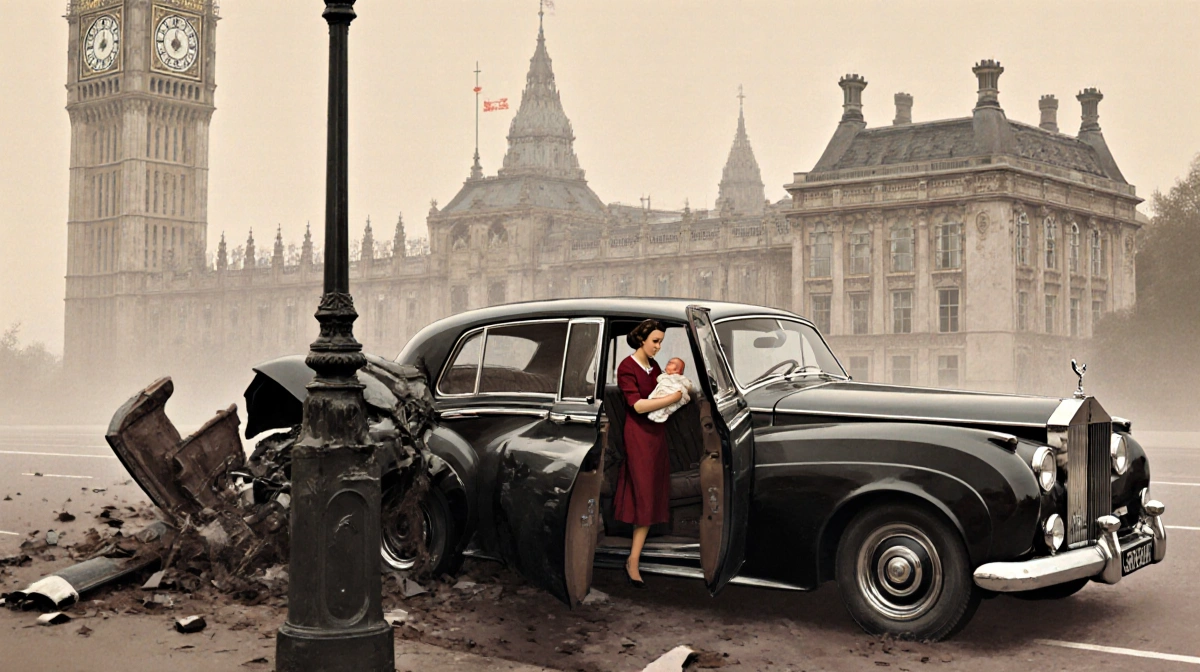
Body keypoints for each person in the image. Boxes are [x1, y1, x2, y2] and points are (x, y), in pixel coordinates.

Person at [613, 319, 684, 588]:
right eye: (655, 341)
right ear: (641, 339)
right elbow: (638, 406)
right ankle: (633, 560)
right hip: (638, 436)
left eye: (661, 342)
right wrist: (673, 398)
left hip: (656, 435)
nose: (658, 346)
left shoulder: (654, 367)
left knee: (651, 492)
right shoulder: (626, 367)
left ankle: (635, 557)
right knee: (642, 494)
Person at [646, 357, 698, 424]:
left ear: (678, 370)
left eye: (671, 363)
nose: (668, 363)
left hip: (672, 396)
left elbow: (686, 386)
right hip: (661, 397)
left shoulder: (680, 378)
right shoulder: (663, 377)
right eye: (668, 362)